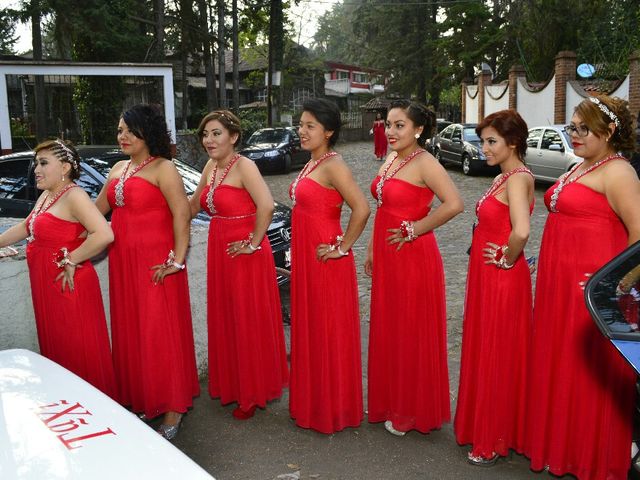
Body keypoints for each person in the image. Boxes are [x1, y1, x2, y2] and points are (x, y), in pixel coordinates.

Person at [525, 94, 640, 480]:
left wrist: (614, 287)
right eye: (571, 127)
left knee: (587, 374)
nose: (574, 135)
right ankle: (563, 448)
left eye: (583, 128)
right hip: (559, 284)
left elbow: (639, 236)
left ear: (609, 131)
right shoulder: (583, 166)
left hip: (589, 289)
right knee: (561, 365)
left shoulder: (619, 172)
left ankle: (592, 456)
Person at [95, 104, 199, 440]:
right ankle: (144, 398)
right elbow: (95, 215)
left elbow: (182, 215)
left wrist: (177, 260)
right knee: (134, 330)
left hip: (158, 262)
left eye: (128, 129)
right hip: (123, 262)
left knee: (160, 330)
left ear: (145, 132)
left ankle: (173, 406)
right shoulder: (117, 168)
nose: (121, 136)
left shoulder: (163, 168)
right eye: (119, 130)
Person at [365, 99, 463, 436]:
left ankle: (410, 411)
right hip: (388, 253)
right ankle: (390, 400)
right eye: (388, 125)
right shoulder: (391, 159)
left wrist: (415, 228)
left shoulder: (426, 163)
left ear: (418, 129)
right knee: (389, 327)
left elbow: (455, 204)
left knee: (409, 330)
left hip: (413, 256)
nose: (390, 131)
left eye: (399, 125)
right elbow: (381, 207)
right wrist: (371, 249)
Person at [189, 110, 288, 420]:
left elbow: (267, 205)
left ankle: (252, 393)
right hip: (220, 247)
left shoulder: (245, 166)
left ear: (233, 137)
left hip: (244, 251)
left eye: (216, 133)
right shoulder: (210, 167)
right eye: (206, 134)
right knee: (227, 316)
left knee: (246, 318)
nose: (209, 140)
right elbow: (193, 205)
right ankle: (233, 385)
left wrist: (254, 243)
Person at [0, 139, 117, 398]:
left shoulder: (75, 195)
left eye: (43, 163)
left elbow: (104, 234)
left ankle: (92, 409)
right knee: (58, 351)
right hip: (46, 285)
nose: (36, 169)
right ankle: (68, 406)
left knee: (77, 351)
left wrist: (72, 259)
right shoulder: (48, 194)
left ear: (64, 167)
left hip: (68, 286)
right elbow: (25, 227)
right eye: (35, 163)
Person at [453, 110, 534, 466]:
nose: (483, 147)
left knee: (496, 354)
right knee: (489, 350)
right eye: (483, 139)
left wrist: (507, 257)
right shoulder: (505, 176)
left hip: (501, 279)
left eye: (491, 141)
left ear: (512, 143)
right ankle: (488, 427)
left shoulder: (517, 178)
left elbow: (521, 230)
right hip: (490, 276)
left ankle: (493, 438)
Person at [288, 97, 370, 434]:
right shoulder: (311, 162)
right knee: (312, 328)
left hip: (325, 256)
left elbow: (361, 208)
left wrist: (342, 247)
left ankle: (333, 408)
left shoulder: (334, 164)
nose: (302, 131)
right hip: (308, 255)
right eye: (301, 124)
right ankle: (314, 401)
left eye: (310, 126)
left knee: (328, 329)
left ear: (329, 131)